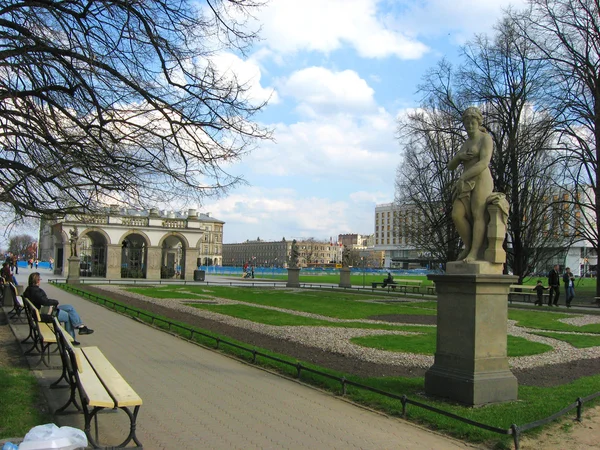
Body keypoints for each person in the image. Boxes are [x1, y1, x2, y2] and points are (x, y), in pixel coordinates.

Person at [448, 107, 494, 262]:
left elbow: (484, 163)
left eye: (472, 122)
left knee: (478, 214)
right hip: (466, 181)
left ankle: (474, 252)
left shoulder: (485, 139)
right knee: (457, 214)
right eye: (467, 122)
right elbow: (450, 166)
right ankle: (468, 246)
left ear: (478, 121)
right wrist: (459, 156)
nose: (469, 125)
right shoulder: (467, 142)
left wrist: (463, 178)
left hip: (481, 179)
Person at [23, 272, 93, 344]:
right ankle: (71, 340)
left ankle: (81, 327)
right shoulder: (35, 291)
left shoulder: (29, 289)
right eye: (39, 279)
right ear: (37, 280)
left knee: (69, 307)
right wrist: (55, 301)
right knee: (68, 316)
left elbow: (43, 301)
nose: (40, 281)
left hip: (41, 311)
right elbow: (45, 302)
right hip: (44, 314)